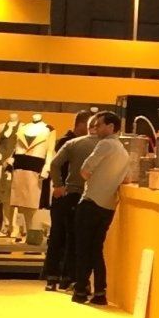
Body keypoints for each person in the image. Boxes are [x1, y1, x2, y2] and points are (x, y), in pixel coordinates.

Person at [68, 112, 130, 308]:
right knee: (96, 249)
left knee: (83, 248)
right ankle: (100, 291)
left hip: (91, 201)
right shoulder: (123, 151)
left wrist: (93, 178)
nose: (96, 128)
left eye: (100, 125)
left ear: (111, 127)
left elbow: (85, 170)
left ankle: (80, 290)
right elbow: (126, 179)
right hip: (108, 205)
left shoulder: (105, 145)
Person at [43, 113, 95, 289]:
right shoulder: (72, 142)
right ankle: (62, 276)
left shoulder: (70, 142)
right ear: (81, 124)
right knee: (67, 236)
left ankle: (56, 277)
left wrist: (58, 185)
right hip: (71, 193)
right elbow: (56, 165)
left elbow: (55, 165)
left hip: (65, 193)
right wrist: (59, 185)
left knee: (61, 236)